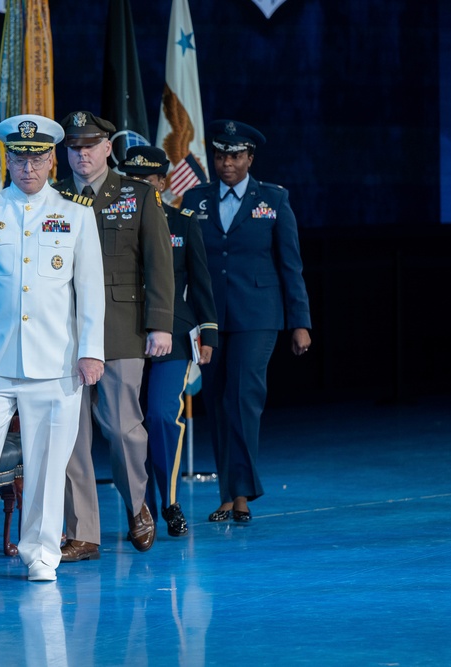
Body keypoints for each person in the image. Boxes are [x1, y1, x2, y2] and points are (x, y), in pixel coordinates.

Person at [0, 114, 105, 583]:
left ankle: (40, 552)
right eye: (18, 157)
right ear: (6, 160)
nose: (27, 167)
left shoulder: (76, 214)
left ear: (52, 159)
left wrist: (91, 350)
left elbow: (89, 291)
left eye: (36, 158)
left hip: (56, 363)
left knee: (48, 465)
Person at [54, 111, 175, 561]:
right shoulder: (55, 197)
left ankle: (138, 505)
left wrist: (160, 323)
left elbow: (159, 263)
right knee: (70, 434)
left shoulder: (138, 195)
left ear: (108, 148)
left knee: (123, 429)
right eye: (74, 147)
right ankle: (83, 531)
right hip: (62, 332)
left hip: (120, 329)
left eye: (90, 146)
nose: (82, 154)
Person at [180, 120, 312, 523]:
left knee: (242, 398)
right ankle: (229, 491)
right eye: (220, 156)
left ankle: (240, 493)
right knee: (219, 401)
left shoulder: (272, 199)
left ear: (250, 158)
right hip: (211, 318)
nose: (226, 164)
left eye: (235, 156)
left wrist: (300, 321)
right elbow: (186, 264)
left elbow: (291, 265)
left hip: (258, 315)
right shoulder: (196, 198)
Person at [121, 145, 218, 537]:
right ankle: (137, 506)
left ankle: (170, 501)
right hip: (123, 333)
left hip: (174, 334)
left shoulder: (183, 222)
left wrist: (208, 331)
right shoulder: (109, 222)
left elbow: (201, 281)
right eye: (132, 181)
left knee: (161, 416)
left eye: (147, 181)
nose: (140, 187)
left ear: (162, 182)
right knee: (126, 424)